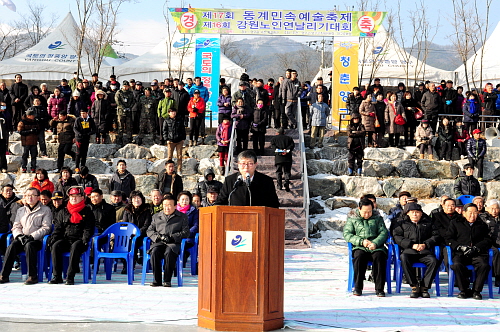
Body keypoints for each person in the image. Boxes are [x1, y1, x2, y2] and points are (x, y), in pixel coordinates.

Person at [0, 187, 52, 285]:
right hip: (22, 238)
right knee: (12, 246)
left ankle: (32, 276)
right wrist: (19, 236)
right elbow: (16, 226)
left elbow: (46, 227)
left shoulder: (45, 210)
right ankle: (4, 275)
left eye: (33, 195)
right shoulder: (21, 210)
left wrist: (32, 236)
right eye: (28, 195)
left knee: (30, 246)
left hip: (37, 240)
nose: (30, 198)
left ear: (38, 198)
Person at [48, 186, 95, 285]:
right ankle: (57, 276)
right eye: (72, 196)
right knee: (56, 246)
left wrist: (85, 240)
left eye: (77, 196)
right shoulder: (64, 211)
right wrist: (53, 239)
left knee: (75, 246)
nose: (74, 198)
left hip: (79, 240)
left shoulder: (87, 211)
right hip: (66, 239)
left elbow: (88, 228)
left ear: (82, 197)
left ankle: (70, 276)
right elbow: (58, 228)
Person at [393, 203, 440, 298]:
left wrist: (425, 244)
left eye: (417, 212)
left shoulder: (428, 222)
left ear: (421, 213)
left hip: (424, 251)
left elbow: (436, 235)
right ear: (408, 213)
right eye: (412, 212)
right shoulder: (401, 223)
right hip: (409, 251)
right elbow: (397, 237)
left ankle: (424, 287)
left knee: (433, 261)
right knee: (404, 258)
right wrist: (411, 245)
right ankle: (414, 286)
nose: (415, 214)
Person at [343, 198, 388, 297]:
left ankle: (379, 289)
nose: (367, 214)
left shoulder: (378, 218)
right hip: (360, 246)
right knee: (359, 257)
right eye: (365, 212)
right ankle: (358, 287)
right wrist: (361, 241)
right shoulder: (352, 219)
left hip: (376, 247)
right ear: (359, 209)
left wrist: (375, 243)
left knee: (380, 257)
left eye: (370, 212)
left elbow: (383, 233)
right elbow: (347, 234)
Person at [446, 203, 492, 300]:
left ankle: (476, 291)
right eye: (470, 213)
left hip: (477, 253)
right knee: (457, 265)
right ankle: (464, 290)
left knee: (484, 265)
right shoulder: (455, 223)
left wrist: (476, 247)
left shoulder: (482, 224)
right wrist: (460, 247)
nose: (473, 215)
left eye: (475, 213)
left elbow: (487, 240)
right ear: (464, 213)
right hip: (461, 253)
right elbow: (448, 238)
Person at [146, 194, 189, 287]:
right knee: (154, 252)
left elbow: (186, 232)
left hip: (173, 243)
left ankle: (167, 280)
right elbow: (149, 230)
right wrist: (158, 237)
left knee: (169, 253)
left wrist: (173, 237)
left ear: (175, 206)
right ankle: (157, 280)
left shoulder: (182, 217)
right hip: (159, 242)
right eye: (165, 205)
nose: (167, 208)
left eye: (169, 205)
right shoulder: (156, 216)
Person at [215, 150, 279, 207]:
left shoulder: (266, 181)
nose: (246, 167)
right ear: (238, 165)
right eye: (243, 164)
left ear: (255, 164)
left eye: (250, 164)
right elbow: (220, 202)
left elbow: (274, 204)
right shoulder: (230, 180)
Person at [122, 190, 152, 273]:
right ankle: (126, 264)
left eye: (138, 198)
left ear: (142, 199)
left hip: (142, 235)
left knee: (133, 242)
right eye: (134, 198)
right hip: (130, 234)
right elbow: (125, 224)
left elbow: (147, 225)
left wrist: (138, 233)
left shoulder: (147, 210)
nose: (136, 200)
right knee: (125, 241)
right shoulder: (127, 210)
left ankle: (131, 265)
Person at [481, 200, 500, 286]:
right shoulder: (482, 217)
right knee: (496, 252)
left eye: (496, 208)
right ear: (487, 208)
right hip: (489, 243)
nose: (494, 211)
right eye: (492, 208)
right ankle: (498, 278)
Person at [176, 191, 199, 263]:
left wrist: (186, 233)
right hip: (176, 236)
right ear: (178, 200)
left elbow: (196, 226)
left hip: (188, 237)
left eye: (187, 199)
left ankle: (181, 260)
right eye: (182, 199)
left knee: (182, 245)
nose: (184, 201)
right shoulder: (173, 210)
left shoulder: (194, 211)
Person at [270, 127, 295, 192]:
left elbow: (274, 147)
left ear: (277, 133)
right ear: (284, 132)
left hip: (279, 158)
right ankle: (286, 182)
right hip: (287, 157)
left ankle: (279, 185)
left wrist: (280, 152)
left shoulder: (274, 139)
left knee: (278, 172)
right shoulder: (289, 138)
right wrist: (286, 150)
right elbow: (292, 146)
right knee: (287, 172)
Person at [163, 108, 186, 174]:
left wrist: (183, 138)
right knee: (170, 157)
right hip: (170, 141)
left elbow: (183, 129)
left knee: (179, 156)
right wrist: (166, 139)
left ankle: (179, 170)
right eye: (172, 112)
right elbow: (164, 131)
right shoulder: (166, 121)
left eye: (174, 111)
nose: (173, 113)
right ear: (169, 113)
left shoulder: (180, 120)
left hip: (179, 141)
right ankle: (168, 169)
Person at [18, 108, 41, 173]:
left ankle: (33, 168)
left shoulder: (35, 122)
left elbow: (39, 130)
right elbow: (20, 132)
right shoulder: (22, 122)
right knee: (25, 155)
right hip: (26, 142)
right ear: (28, 115)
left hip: (34, 142)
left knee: (34, 156)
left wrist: (36, 131)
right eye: (32, 115)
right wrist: (30, 131)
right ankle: (24, 167)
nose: (34, 116)